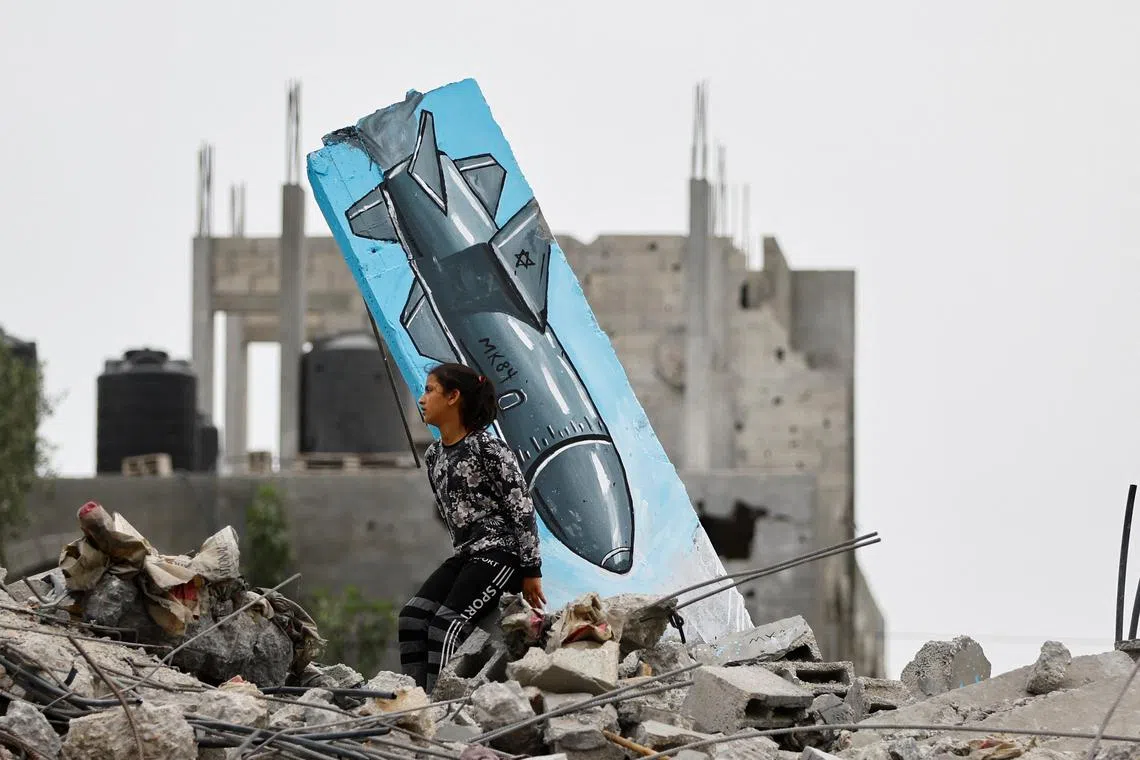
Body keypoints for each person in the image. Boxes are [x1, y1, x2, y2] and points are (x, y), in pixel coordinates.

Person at [397, 362, 546, 692]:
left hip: (501, 554)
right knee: (412, 618)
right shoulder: (435, 455)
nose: (422, 399)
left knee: (445, 627)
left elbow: (522, 508)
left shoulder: (489, 448)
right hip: (467, 555)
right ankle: (414, 698)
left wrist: (530, 569)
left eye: (429, 390)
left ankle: (442, 705)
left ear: (453, 397)